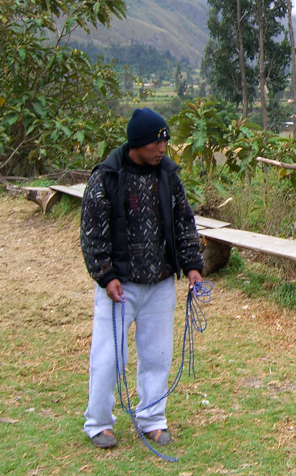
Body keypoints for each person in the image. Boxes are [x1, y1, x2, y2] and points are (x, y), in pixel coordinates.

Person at [80, 108, 203, 449]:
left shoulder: (168, 175)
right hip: (120, 286)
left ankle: (152, 418)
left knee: (157, 355)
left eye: (164, 141)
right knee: (108, 356)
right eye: (156, 142)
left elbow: (184, 222)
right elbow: (92, 233)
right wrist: (105, 276)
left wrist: (192, 265)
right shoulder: (107, 176)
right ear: (138, 143)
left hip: (161, 281)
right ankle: (99, 423)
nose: (162, 148)